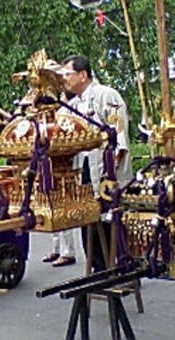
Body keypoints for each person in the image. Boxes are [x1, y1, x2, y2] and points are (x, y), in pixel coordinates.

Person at [56, 55, 133, 272]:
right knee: (89, 223)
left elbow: (119, 138)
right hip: (85, 173)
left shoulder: (107, 95)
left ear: (83, 74)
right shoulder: (71, 106)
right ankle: (99, 271)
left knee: (112, 225)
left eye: (67, 74)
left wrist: (112, 175)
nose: (64, 79)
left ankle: (124, 270)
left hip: (108, 174)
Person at [42, 90, 77, 268]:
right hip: (49, 167)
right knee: (51, 207)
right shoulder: (44, 119)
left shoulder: (65, 114)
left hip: (64, 167)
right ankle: (56, 248)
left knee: (63, 208)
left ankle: (68, 252)